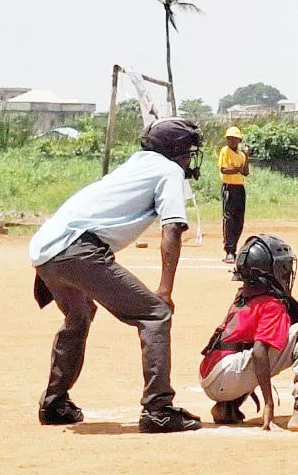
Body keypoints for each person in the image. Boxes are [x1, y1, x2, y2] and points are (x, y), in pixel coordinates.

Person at [29, 117, 204, 433]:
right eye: (188, 151)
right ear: (177, 150)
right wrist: (164, 290)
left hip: (46, 248)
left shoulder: (137, 164)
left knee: (79, 316)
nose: (190, 158)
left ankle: (54, 403)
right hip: (76, 248)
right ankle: (158, 409)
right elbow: (172, 228)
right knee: (155, 314)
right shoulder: (169, 171)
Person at [198, 233, 298, 433]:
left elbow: (282, 319)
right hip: (229, 375)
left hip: (213, 374)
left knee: (256, 346)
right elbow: (258, 351)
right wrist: (268, 403)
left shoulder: (245, 294)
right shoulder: (272, 304)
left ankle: (227, 406)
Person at [217, 125, 249, 263]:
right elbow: (225, 169)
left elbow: (246, 172)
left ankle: (234, 247)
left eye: (235, 139)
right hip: (229, 187)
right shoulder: (225, 151)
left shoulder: (241, 155)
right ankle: (229, 251)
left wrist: (246, 157)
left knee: (238, 220)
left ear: (239, 140)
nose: (232, 141)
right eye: (229, 139)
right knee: (229, 219)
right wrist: (238, 168)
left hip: (240, 188)